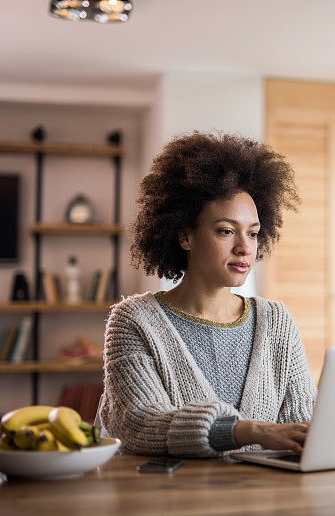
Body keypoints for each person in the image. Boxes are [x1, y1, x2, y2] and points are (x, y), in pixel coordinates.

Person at [96, 131, 317, 457]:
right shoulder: (134, 322)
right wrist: (244, 430)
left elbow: (303, 422)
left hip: (267, 499)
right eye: (226, 231)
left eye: (253, 233)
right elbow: (138, 423)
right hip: (171, 502)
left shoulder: (277, 321)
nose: (244, 248)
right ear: (185, 235)